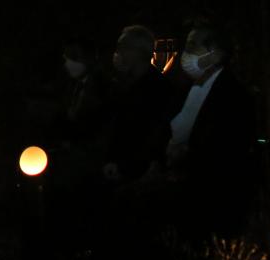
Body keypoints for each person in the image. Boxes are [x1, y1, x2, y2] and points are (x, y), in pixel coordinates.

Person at [164, 24, 257, 237]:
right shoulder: (185, 90)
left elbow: (226, 150)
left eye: (192, 46)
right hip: (178, 189)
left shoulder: (234, 97)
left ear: (215, 54)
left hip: (207, 195)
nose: (185, 55)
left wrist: (186, 158)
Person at [102, 25, 177, 184]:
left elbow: (154, 136)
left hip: (138, 177)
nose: (117, 54)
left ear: (137, 52)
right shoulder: (123, 85)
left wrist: (125, 167)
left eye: (122, 48)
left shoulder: (158, 90)